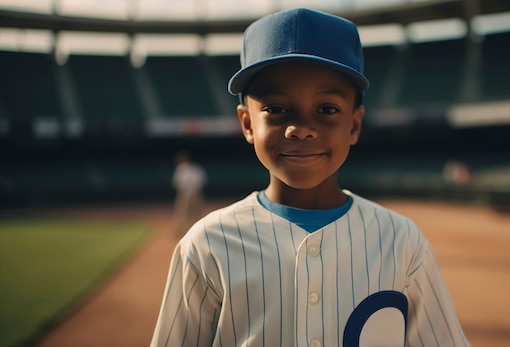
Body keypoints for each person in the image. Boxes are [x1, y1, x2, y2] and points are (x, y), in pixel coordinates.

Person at [151, 8, 470, 346]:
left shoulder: (402, 242)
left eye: (327, 109)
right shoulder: (205, 246)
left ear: (354, 124)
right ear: (247, 124)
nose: (300, 129)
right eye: (275, 109)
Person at [171, 151, 207, 236]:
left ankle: (195, 229)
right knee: (184, 212)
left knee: (191, 212)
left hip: (192, 193)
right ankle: (185, 229)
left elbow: (201, 180)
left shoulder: (194, 168)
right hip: (188, 193)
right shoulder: (183, 168)